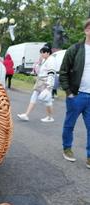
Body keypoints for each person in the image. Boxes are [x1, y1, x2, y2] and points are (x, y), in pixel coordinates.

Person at [60, 19, 90, 168]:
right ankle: (67, 148)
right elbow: (63, 71)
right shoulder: (75, 49)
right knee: (69, 124)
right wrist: (69, 92)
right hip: (76, 95)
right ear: (86, 30)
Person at [17, 44, 56, 122]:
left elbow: (51, 73)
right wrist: (40, 62)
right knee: (35, 97)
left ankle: (50, 117)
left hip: (45, 83)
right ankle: (26, 114)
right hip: (41, 82)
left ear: (48, 53)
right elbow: (39, 70)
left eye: (43, 53)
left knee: (47, 101)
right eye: (41, 53)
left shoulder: (51, 60)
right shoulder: (45, 59)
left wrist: (49, 86)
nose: (41, 54)